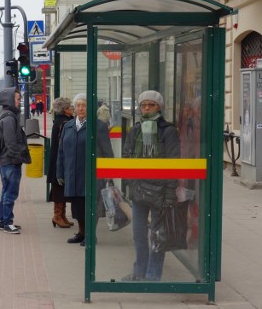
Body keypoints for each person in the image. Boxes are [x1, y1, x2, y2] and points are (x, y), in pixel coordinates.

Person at [122, 90, 181, 282]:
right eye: (143, 105)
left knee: (158, 235)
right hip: (139, 190)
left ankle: (153, 274)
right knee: (138, 234)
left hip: (160, 191)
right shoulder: (135, 130)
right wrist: (131, 183)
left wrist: (170, 192)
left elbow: (174, 163)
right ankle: (139, 271)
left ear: (159, 106)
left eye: (151, 105)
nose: (146, 108)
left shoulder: (169, 131)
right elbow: (127, 157)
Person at [56, 93, 113, 246]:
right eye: (78, 105)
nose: (81, 108)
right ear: (74, 108)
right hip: (72, 173)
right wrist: (60, 172)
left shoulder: (98, 126)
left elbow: (107, 152)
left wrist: (108, 175)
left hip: (91, 175)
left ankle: (90, 235)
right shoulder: (68, 126)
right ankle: (81, 233)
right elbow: (61, 151)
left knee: (90, 205)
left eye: (84, 105)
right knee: (77, 206)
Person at [0, 87, 31, 234]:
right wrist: (18, 158)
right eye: (17, 99)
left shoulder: (7, 116)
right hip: (10, 161)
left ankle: (3, 220)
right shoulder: (9, 118)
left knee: (6, 191)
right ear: (9, 100)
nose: (19, 101)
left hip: (7, 160)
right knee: (10, 192)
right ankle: (7, 223)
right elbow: (11, 143)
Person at [46, 97, 74, 228]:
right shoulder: (64, 122)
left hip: (57, 159)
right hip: (60, 160)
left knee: (60, 188)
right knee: (59, 188)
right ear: (65, 110)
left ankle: (61, 215)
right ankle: (57, 216)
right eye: (70, 107)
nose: (72, 109)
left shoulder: (60, 120)